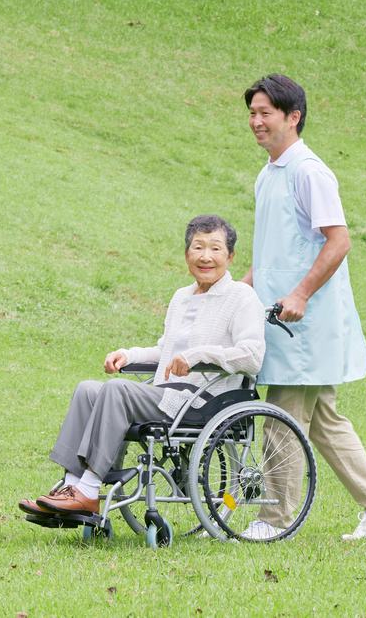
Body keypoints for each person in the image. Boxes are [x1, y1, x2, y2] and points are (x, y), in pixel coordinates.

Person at [238, 74, 366, 541]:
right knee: (324, 422)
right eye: (252, 113)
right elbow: (270, 252)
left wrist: (299, 295)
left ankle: (275, 521)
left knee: (283, 418)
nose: (256, 121)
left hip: (304, 324)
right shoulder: (268, 173)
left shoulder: (309, 171)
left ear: (293, 117)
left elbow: (339, 242)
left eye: (265, 113)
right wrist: (237, 292)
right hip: (282, 320)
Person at [18, 214, 265, 518]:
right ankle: (71, 486)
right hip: (166, 396)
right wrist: (128, 355)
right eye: (198, 248)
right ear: (186, 254)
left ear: (231, 256)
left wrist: (199, 355)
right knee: (87, 390)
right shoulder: (182, 297)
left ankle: (90, 490)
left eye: (215, 248)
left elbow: (252, 356)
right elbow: (165, 349)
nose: (205, 257)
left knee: (117, 390)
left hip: (204, 400)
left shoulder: (241, 296)